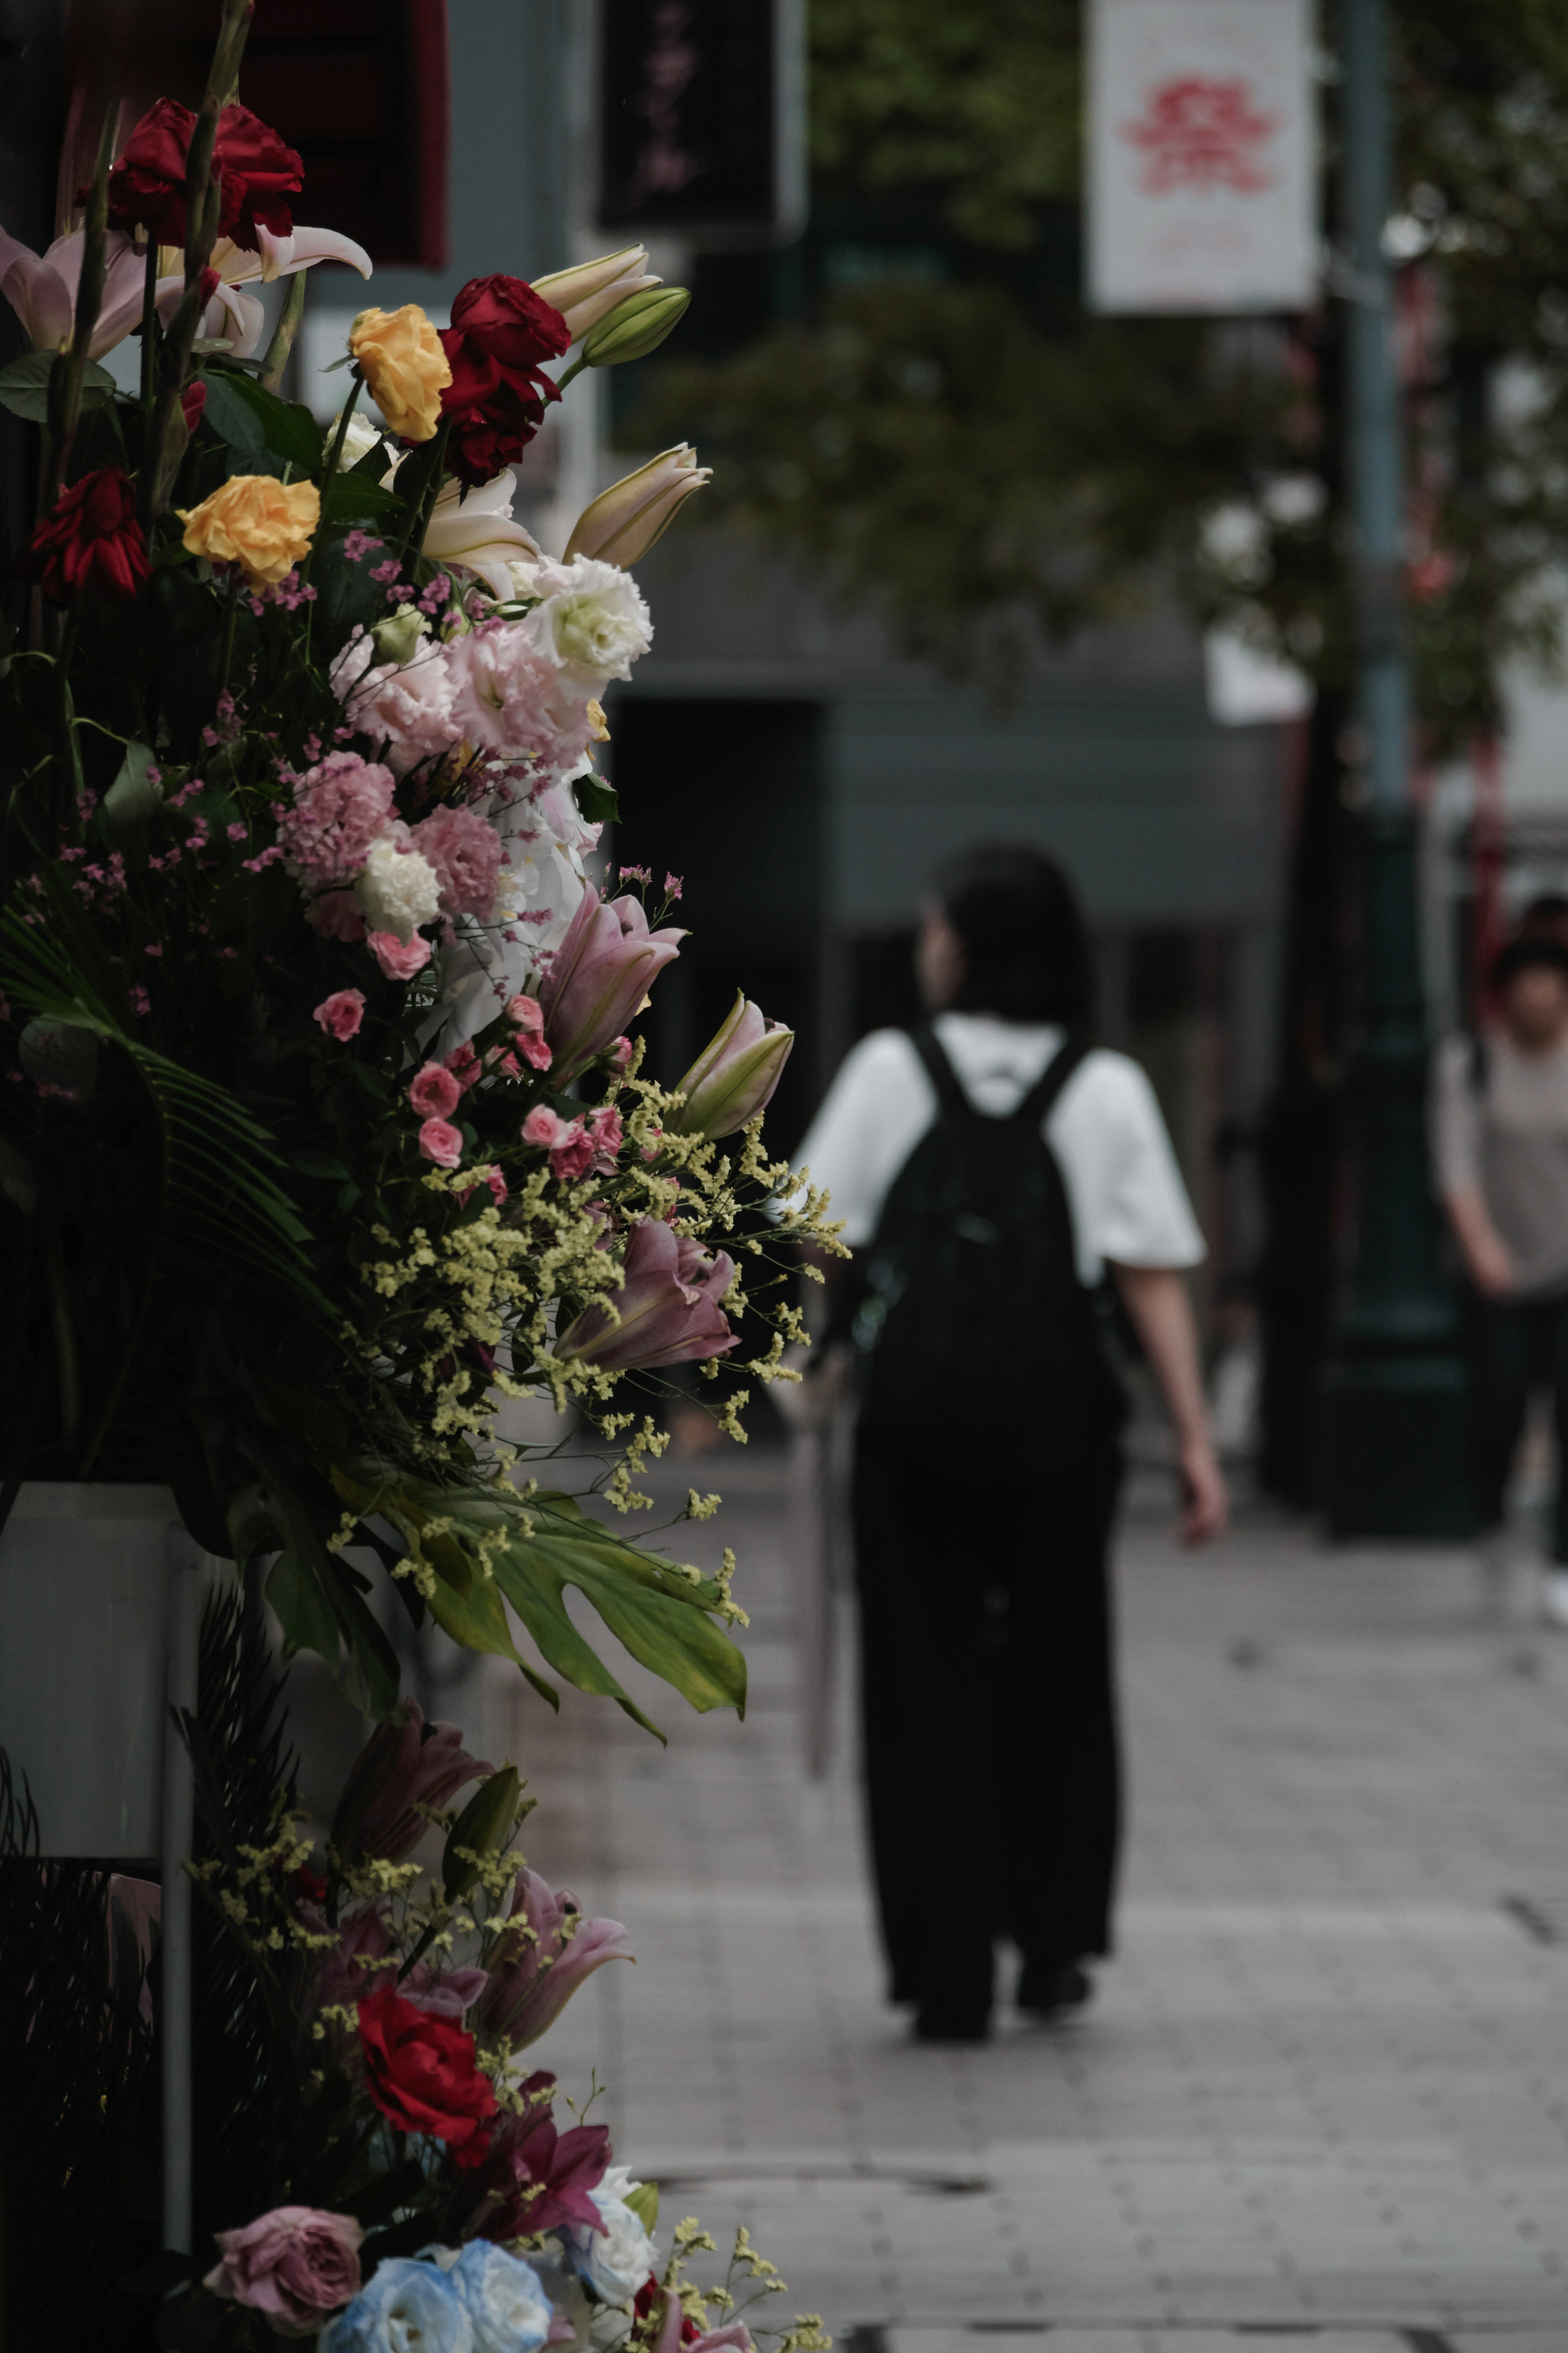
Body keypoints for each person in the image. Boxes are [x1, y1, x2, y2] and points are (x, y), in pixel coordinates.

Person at [796, 843, 1227, 2043]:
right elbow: (1149, 1279)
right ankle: (1051, 1946)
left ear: (971, 943)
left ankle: (944, 1969)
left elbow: (815, 1233)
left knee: (922, 1680)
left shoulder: (893, 1068)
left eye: (939, 926)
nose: (928, 945)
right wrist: (1193, 1441)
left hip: (916, 1428)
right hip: (1058, 1427)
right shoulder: (1106, 1086)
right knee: (1059, 1671)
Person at [1432, 932, 1568, 1626]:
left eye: (1554, 983)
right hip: (1498, 1273)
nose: (1542, 997)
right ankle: (1491, 1515)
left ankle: (1561, 1563)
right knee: (1500, 1408)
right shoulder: (1474, 1063)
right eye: (1530, 982)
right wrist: (1480, 1246)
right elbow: (1455, 1165)